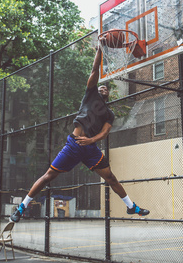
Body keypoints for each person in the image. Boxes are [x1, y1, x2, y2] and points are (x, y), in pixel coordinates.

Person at [10, 46, 149, 222]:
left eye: (106, 88)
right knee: (48, 176)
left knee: (111, 177)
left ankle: (131, 207)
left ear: (108, 95)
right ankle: (22, 207)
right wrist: (100, 49)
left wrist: (91, 139)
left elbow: (105, 133)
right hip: (74, 145)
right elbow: (94, 69)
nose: (103, 87)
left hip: (90, 149)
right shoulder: (90, 94)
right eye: (101, 86)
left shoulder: (109, 113)